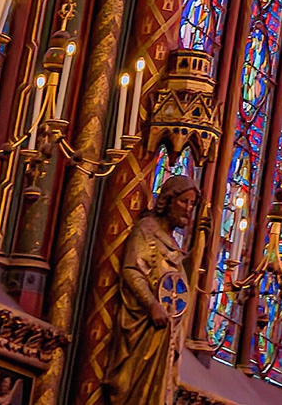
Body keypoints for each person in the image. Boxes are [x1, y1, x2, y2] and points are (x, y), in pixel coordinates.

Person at [93, 170, 204, 405]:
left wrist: (204, 241)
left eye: (192, 204)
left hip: (165, 335)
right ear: (167, 201)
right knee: (131, 388)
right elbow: (132, 270)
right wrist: (152, 304)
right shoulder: (147, 230)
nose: (188, 209)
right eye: (184, 201)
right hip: (143, 327)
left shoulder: (174, 245)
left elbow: (181, 288)